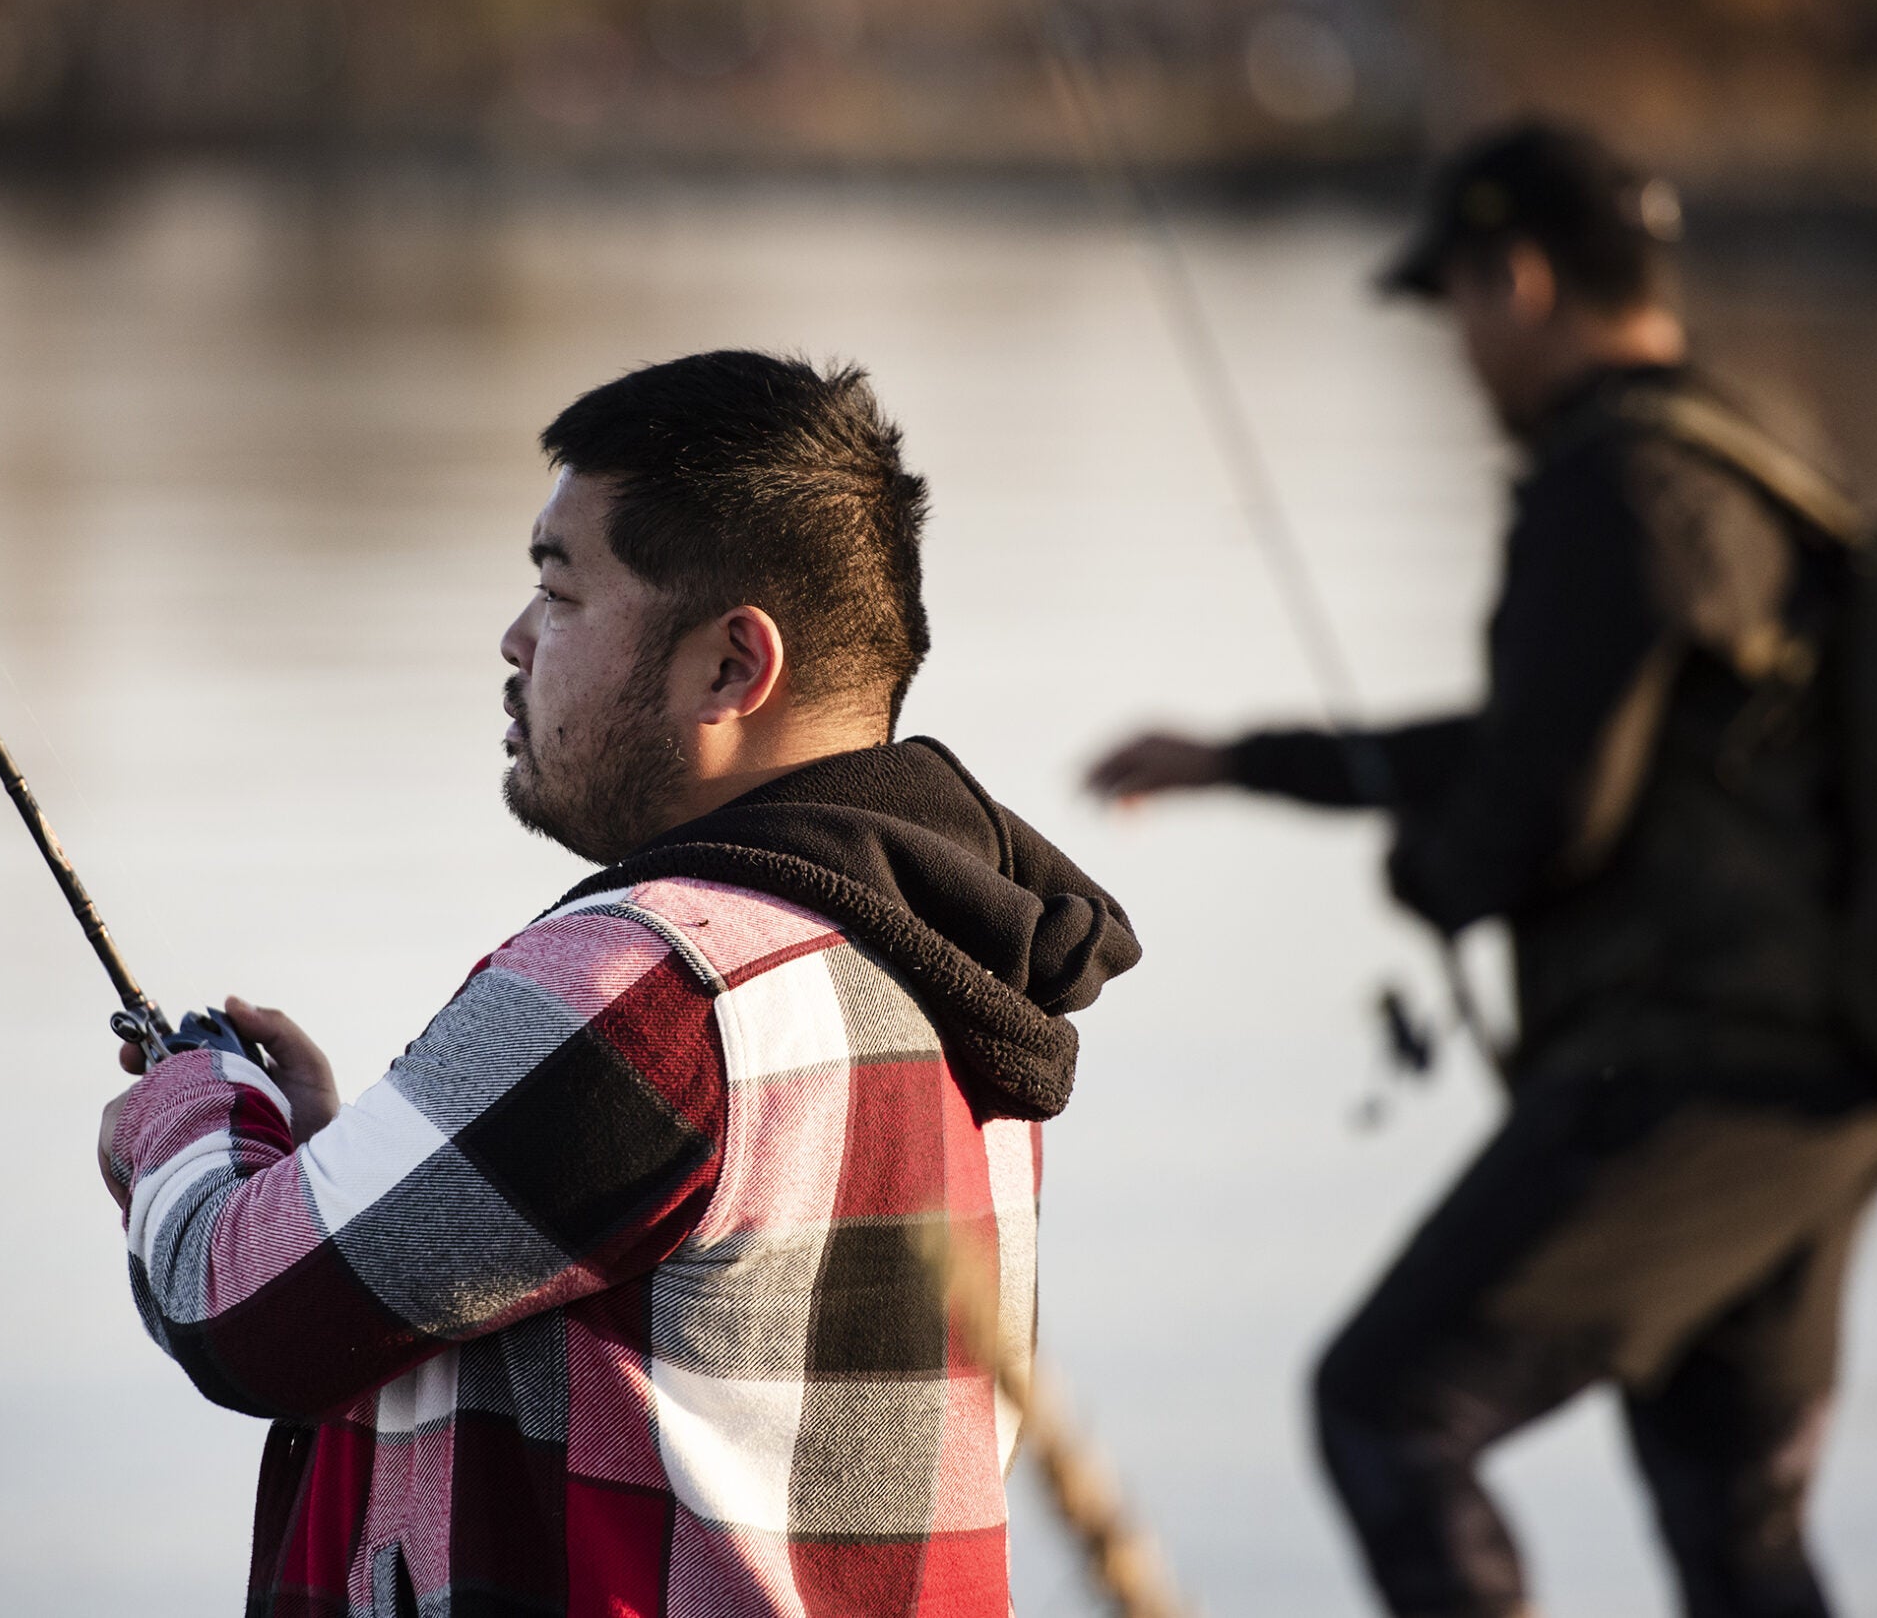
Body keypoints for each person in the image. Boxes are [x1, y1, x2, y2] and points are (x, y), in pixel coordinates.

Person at [99, 350, 1140, 1618]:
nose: (517, 636)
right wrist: (337, 1168)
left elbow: (232, 1303)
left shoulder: (659, 984)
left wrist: (192, 1112)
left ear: (727, 670)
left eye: (562, 590)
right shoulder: (946, 967)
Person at [1088, 123, 1877, 1618]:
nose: (1459, 350)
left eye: (1457, 306)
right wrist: (1245, 761)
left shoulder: (1616, 485)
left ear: (1517, 281)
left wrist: (1429, 874)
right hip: (1829, 1089)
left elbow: (1535, 817)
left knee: (1389, 1406)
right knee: (1738, 1516)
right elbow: (1559, 734)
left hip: (1701, 1084)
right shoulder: (1757, 445)